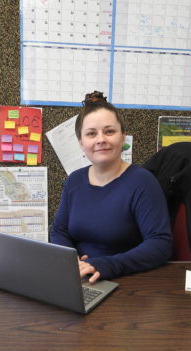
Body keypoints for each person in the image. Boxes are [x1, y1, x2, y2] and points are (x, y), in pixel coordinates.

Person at [50, 91, 173, 283]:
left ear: (122, 136)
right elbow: (59, 231)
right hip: (80, 278)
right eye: (91, 133)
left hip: (123, 280)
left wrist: (106, 264)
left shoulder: (142, 182)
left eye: (109, 131)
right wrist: (70, 260)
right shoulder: (74, 181)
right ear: (81, 143)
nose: (101, 139)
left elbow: (160, 243)